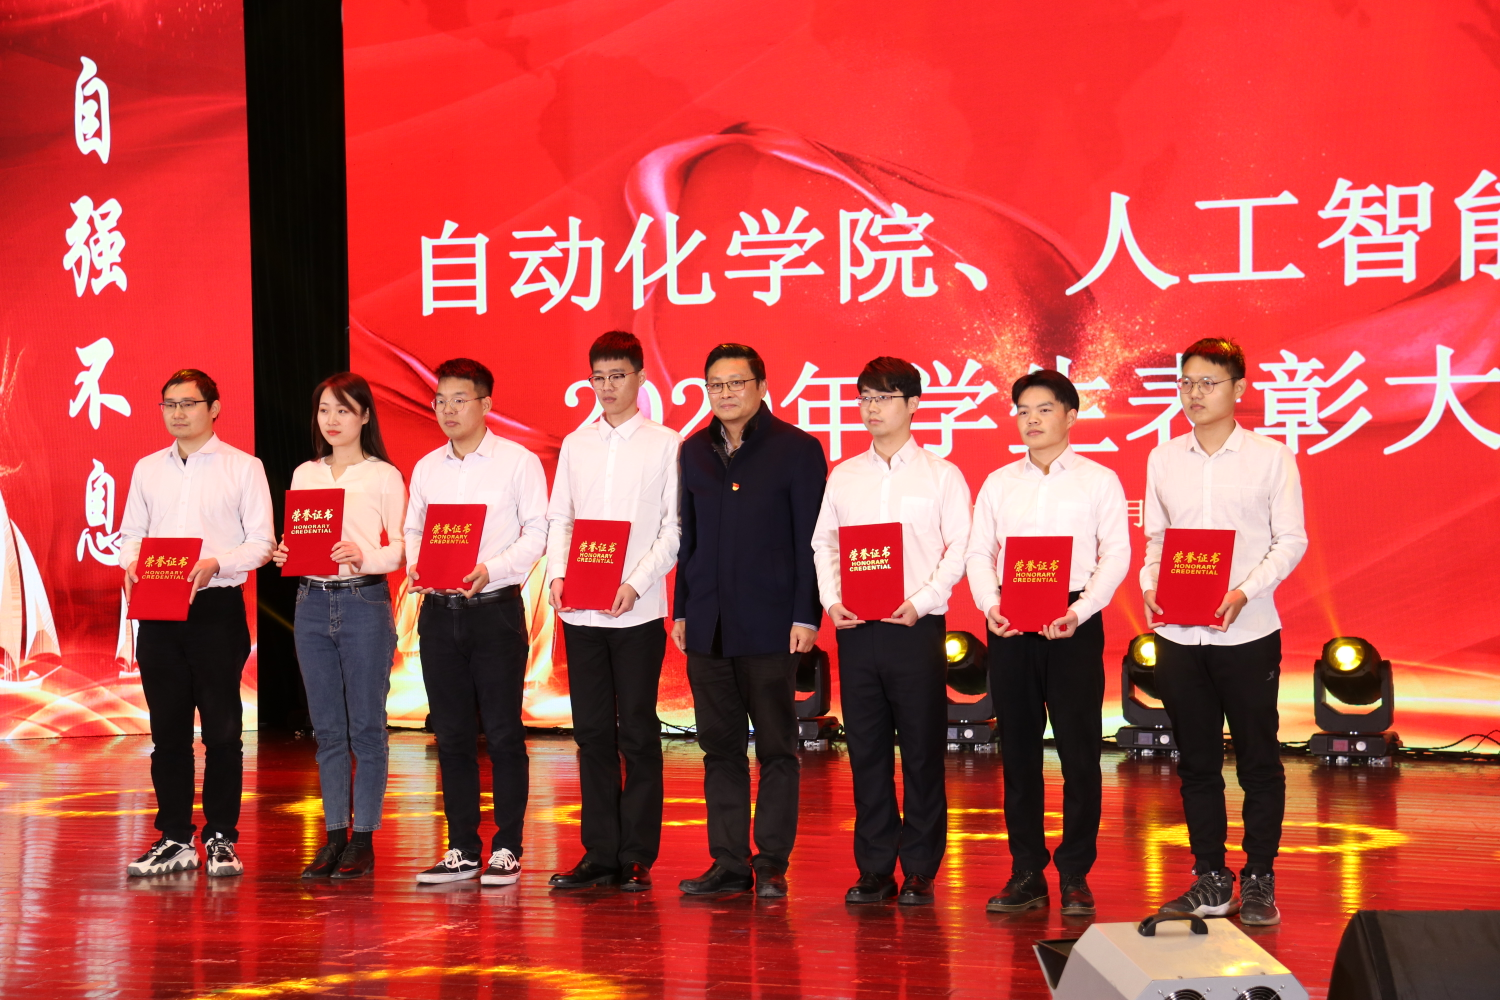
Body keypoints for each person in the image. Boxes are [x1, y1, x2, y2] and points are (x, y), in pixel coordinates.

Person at [1143, 339, 1306, 927]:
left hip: (1248, 631)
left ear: (1238, 388)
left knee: (1259, 760)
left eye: (1208, 382)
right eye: (1186, 382)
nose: (1194, 393)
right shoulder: (1163, 458)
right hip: (1180, 635)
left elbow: (1290, 540)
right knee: (1196, 763)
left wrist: (1243, 592)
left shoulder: (1270, 457)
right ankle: (1211, 876)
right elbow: (1157, 539)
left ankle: (1259, 876)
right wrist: (1149, 585)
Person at [966, 369, 1129, 915]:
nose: (1031, 420)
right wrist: (990, 605)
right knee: (1018, 753)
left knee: (1080, 754)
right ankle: (1027, 871)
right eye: (1022, 411)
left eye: (1044, 410)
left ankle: (1076, 873)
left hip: (1072, 623)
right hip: (1011, 624)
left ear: (1071, 416)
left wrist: (1080, 611)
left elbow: (1116, 554)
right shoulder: (998, 483)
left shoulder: (1097, 480)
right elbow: (979, 553)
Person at [812, 357, 971, 906]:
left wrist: (921, 601)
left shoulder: (941, 475)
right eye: (864, 398)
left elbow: (960, 548)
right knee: (867, 752)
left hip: (915, 628)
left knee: (923, 752)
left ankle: (921, 866)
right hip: (857, 629)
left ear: (913, 404)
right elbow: (824, 544)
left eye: (883, 397)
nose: (871, 408)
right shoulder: (844, 475)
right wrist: (832, 600)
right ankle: (875, 867)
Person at [673, 343, 827, 897]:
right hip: (708, 624)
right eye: (715, 385)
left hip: (770, 623)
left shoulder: (797, 449)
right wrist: (683, 608)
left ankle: (772, 863)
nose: (726, 394)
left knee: (777, 748)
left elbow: (812, 541)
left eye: (736, 383)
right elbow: (689, 539)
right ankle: (729, 863)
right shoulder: (694, 450)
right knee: (720, 749)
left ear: (761, 386)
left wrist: (806, 614)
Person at [119, 369, 274, 877]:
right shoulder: (147, 469)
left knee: (222, 731)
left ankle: (222, 836)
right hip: (158, 611)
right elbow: (132, 533)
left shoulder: (243, 467)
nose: (178, 413)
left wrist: (217, 564)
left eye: (188, 403)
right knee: (167, 732)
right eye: (169, 404)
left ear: (215, 408)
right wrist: (131, 564)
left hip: (215, 609)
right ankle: (174, 838)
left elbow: (262, 543)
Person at [545, 332, 681, 892]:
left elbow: (674, 529)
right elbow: (561, 519)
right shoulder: (576, 444)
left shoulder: (666, 444)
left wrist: (636, 582)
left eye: (617, 376)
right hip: (580, 613)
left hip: (636, 612)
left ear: (640, 378)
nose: (607, 387)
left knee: (639, 734)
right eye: (598, 377)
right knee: (592, 733)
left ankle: (637, 855)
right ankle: (599, 852)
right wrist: (557, 575)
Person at [404, 358, 548, 885]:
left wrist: (493, 569)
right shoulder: (427, 467)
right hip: (439, 614)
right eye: (440, 400)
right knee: (452, 736)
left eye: (459, 399)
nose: (447, 409)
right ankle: (462, 846)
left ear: (486, 404)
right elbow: (414, 528)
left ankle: (508, 846)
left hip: (495, 612)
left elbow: (537, 532)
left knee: (505, 733)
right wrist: (418, 565)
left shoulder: (518, 462)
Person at [271, 373, 404, 880]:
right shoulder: (306, 473)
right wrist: (287, 552)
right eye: (325, 409)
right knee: (327, 730)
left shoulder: (383, 476)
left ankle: (363, 840)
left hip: (363, 601)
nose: (332, 420)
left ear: (365, 416)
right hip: (310, 602)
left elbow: (402, 547)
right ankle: (333, 838)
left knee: (366, 727)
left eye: (344, 410)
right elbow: (301, 535)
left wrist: (363, 554)